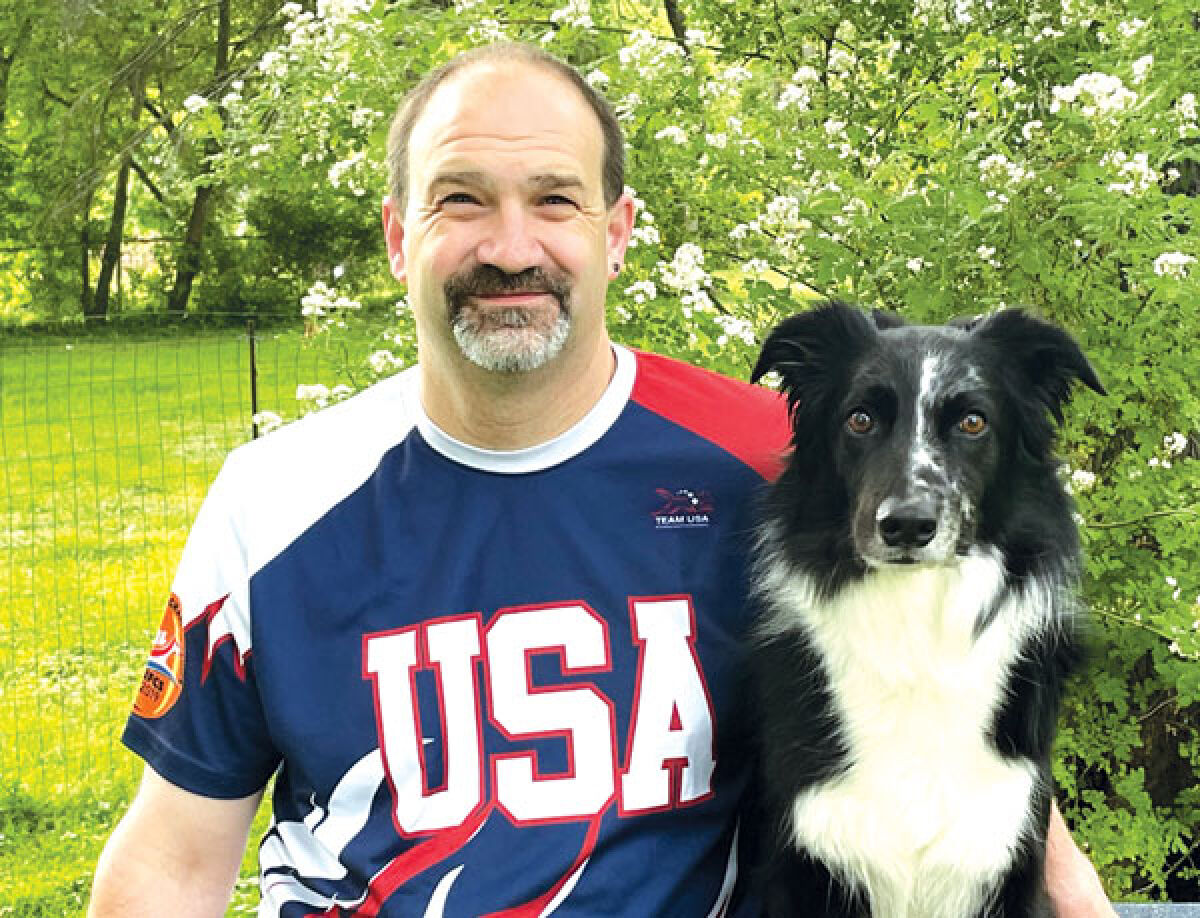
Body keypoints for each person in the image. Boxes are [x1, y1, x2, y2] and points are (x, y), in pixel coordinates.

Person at [89, 43, 1117, 917]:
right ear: (400, 237)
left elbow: (947, 676)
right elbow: (174, 858)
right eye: (461, 200)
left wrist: (1067, 887)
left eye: (554, 200)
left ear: (615, 233)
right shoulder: (273, 502)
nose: (511, 246)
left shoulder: (773, 465)